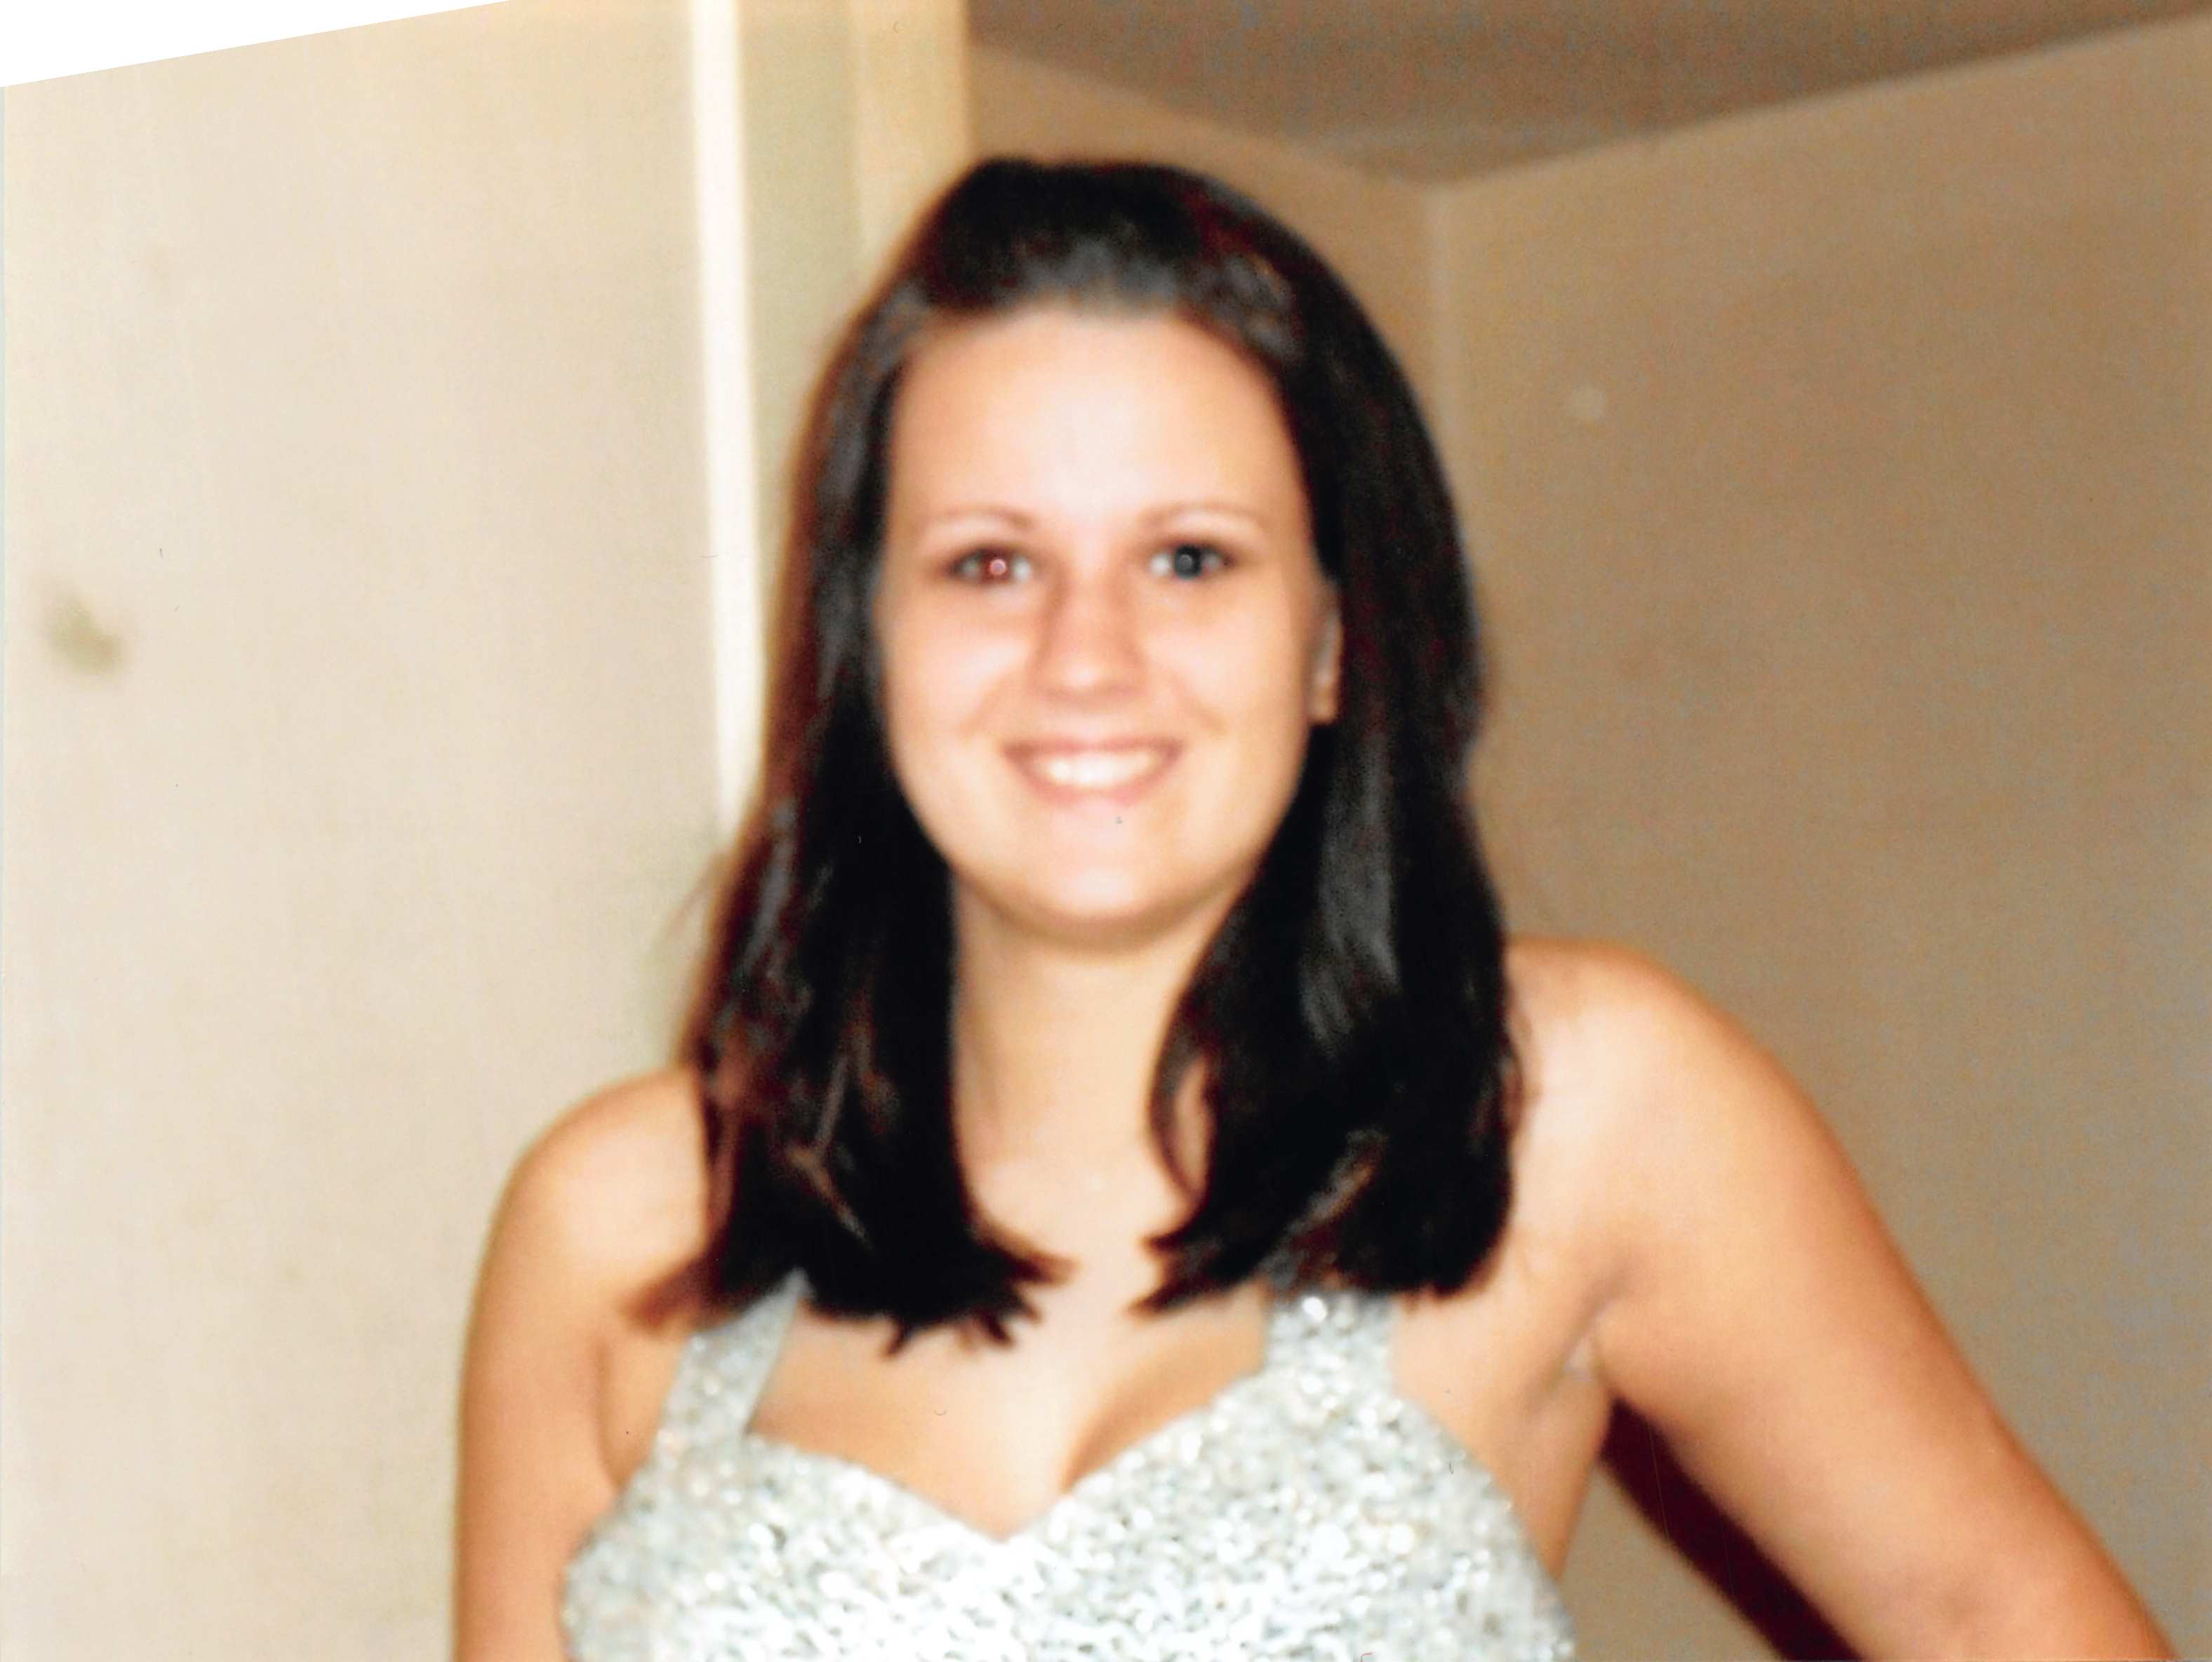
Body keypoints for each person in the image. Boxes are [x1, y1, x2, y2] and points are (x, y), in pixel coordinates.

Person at [453, 158, 2171, 1661]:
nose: (1085, 655)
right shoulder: (617, 1226)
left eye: (1189, 558)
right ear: (864, 641)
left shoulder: (1571, 1114)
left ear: (1336, 638)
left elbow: (1993, 1613)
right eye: (991, 562)